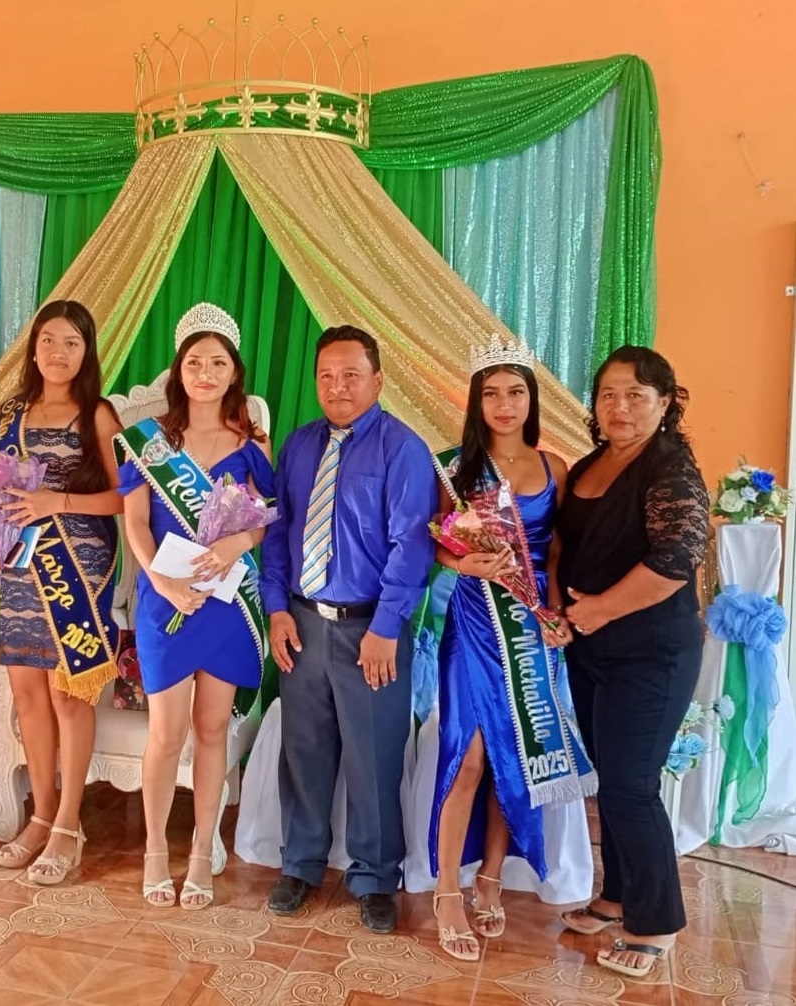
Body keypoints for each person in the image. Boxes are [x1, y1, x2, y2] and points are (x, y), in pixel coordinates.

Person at [260, 324, 437, 935]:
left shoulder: (402, 449)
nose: (338, 387)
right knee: (304, 751)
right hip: (303, 623)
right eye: (327, 376)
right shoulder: (298, 445)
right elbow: (278, 531)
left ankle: (376, 877)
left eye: (351, 375)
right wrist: (276, 608)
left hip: (371, 631)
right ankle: (300, 864)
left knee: (374, 757)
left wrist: (386, 627)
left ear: (378, 380)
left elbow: (412, 547)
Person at [427, 337, 594, 961]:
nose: (504, 404)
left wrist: (553, 613)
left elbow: (556, 553)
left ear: (531, 399)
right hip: (475, 623)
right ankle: (448, 890)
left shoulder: (555, 468)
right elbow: (438, 544)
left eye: (516, 392)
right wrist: (463, 563)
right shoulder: (455, 468)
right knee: (468, 756)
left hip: (530, 627)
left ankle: (491, 878)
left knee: (513, 756)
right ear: (476, 401)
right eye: (492, 393)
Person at [115, 302, 273, 910]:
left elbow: (265, 518)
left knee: (211, 730)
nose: (205, 373)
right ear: (179, 370)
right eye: (194, 363)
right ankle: (156, 850)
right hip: (166, 600)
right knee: (166, 734)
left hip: (226, 604)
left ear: (234, 373)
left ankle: (203, 851)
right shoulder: (149, 442)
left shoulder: (251, 443)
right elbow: (135, 522)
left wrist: (238, 542)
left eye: (218, 363)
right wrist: (159, 580)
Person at [557, 346, 709, 978]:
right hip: (592, 648)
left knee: (631, 785)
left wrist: (599, 610)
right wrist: (562, 611)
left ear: (665, 403)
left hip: (652, 652)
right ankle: (618, 896)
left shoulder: (670, 467)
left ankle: (655, 923)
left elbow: (676, 560)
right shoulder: (590, 464)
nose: (620, 407)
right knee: (612, 780)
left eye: (636, 395)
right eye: (609, 395)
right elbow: (567, 544)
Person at [0, 300, 123, 884]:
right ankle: (41, 815)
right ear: (34, 346)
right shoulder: (10, 413)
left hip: (79, 568)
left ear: (86, 350)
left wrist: (57, 502)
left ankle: (70, 824)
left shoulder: (97, 414)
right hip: (19, 566)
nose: (58, 352)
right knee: (27, 695)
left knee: (69, 696)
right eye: (48, 340)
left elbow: (124, 497)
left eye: (71, 342)